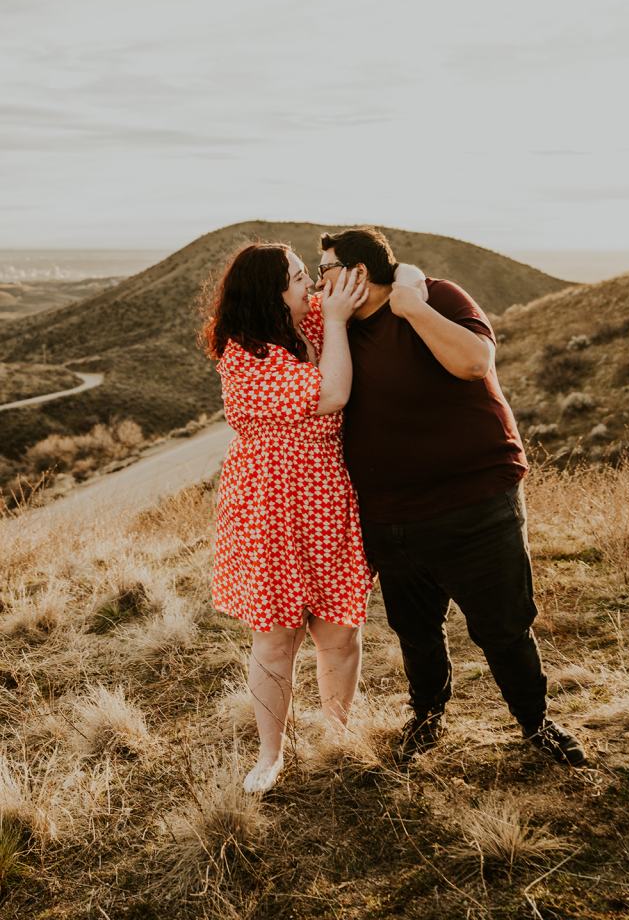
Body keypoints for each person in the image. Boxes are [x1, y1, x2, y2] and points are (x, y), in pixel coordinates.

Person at [315, 227, 587, 767]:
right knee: (415, 630)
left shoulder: (437, 296)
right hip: (389, 515)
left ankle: (535, 723)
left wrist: (411, 304)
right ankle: (427, 714)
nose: (320, 280)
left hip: (475, 503)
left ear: (358, 273)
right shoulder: (332, 330)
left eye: (324, 269)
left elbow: (472, 363)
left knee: (502, 625)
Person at [202, 243, 373, 793]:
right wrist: (340, 322)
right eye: (300, 278)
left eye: (309, 275)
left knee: (340, 631)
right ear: (271, 295)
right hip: (270, 505)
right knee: (276, 638)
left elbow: (369, 290)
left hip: (326, 497)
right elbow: (333, 393)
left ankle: (338, 733)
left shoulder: (312, 323)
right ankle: (270, 755)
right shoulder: (243, 355)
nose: (312, 287)